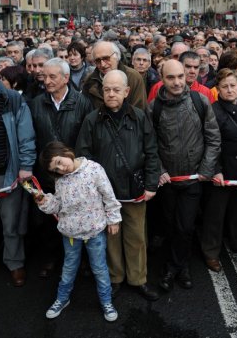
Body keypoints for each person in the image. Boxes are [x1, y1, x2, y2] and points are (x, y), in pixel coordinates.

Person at [76, 69, 160, 301]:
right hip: (105, 194)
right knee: (111, 239)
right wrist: (92, 189)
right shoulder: (92, 119)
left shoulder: (140, 117)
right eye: (106, 89)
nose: (111, 94)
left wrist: (151, 184)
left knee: (136, 237)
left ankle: (138, 279)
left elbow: (152, 152)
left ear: (127, 91)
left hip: (135, 190)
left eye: (116, 90)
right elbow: (83, 156)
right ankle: (115, 278)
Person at [148, 60, 221, 291]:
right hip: (168, 181)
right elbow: (149, 145)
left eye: (180, 76)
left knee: (186, 226)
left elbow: (213, 138)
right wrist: (160, 171)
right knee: (170, 225)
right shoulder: (153, 108)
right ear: (162, 77)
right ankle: (177, 265)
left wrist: (205, 170)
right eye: (171, 77)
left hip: (193, 179)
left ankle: (175, 267)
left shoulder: (200, 101)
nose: (178, 81)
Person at [35, 141, 121, 321]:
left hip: (95, 231)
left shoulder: (94, 169)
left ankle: (106, 301)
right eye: (55, 169)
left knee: (99, 268)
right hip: (70, 234)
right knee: (68, 268)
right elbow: (58, 205)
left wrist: (113, 219)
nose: (60, 169)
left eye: (59, 162)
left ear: (65, 151)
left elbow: (108, 195)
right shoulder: (60, 180)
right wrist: (45, 202)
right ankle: (62, 298)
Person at [29, 57, 93, 276]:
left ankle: (82, 260)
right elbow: (32, 137)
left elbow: (87, 139)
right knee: (48, 219)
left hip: (73, 173)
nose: (46, 81)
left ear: (66, 78)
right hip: (46, 173)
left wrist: (77, 168)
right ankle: (51, 257)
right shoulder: (36, 103)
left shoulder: (82, 103)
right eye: (44, 76)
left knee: (77, 215)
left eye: (52, 76)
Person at [201, 69, 237, 272]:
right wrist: (216, 170)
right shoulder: (214, 110)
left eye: (233, 85)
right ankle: (210, 251)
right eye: (225, 86)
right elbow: (208, 142)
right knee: (215, 214)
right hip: (223, 171)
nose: (230, 90)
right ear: (218, 89)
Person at [0, 54, 36, 286]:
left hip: (6, 172)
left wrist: (26, 166)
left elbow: (26, 136)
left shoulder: (12, 100)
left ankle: (14, 262)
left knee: (10, 223)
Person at [82, 41, 147, 110]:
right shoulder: (90, 81)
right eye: (98, 60)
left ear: (116, 56)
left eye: (106, 58)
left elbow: (139, 110)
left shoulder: (134, 78)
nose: (103, 64)